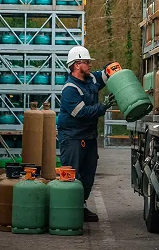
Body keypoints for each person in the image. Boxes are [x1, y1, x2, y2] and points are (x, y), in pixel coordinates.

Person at [57, 46, 116, 223]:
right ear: (76, 65)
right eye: (86, 62)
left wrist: (112, 67)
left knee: (88, 175)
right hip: (72, 137)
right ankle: (67, 209)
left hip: (88, 137)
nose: (89, 65)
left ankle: (80, 206)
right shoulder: (69, 89)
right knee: (72, 175)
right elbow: (82, 113)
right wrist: (102, 107)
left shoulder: (90, 80)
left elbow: (105, 75)